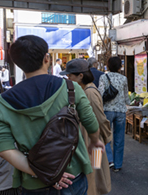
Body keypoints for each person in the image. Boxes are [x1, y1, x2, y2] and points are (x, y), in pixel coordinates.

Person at [0, 35, 105, 194]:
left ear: (18, 63)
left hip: (34, 183)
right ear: (47, 58)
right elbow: (90, 122)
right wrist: (95, 142)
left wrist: (42, 172)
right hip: (72, 177)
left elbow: (5, 149)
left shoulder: (3, 102)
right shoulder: (70, 88)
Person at [61, 59, 112, 195]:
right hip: (89, 138)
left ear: (80, 76)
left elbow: (100, 119)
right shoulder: (85, 89)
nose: (68, 78)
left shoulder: (89, 92)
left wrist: (104, 137)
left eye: (70, 75)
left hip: (92, 139)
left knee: (95, 170)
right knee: (94, 169)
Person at [98, 56, 129, 172]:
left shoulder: (103, 77)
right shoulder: (124, 79)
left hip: (107, 110)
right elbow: (126, 97)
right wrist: (128, 103)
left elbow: (100, 93)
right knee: (119, 138)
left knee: (105, 136)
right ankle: (118, 165)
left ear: (108, 66)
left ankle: (109, 160)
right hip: (121, 111)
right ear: (120, 67)